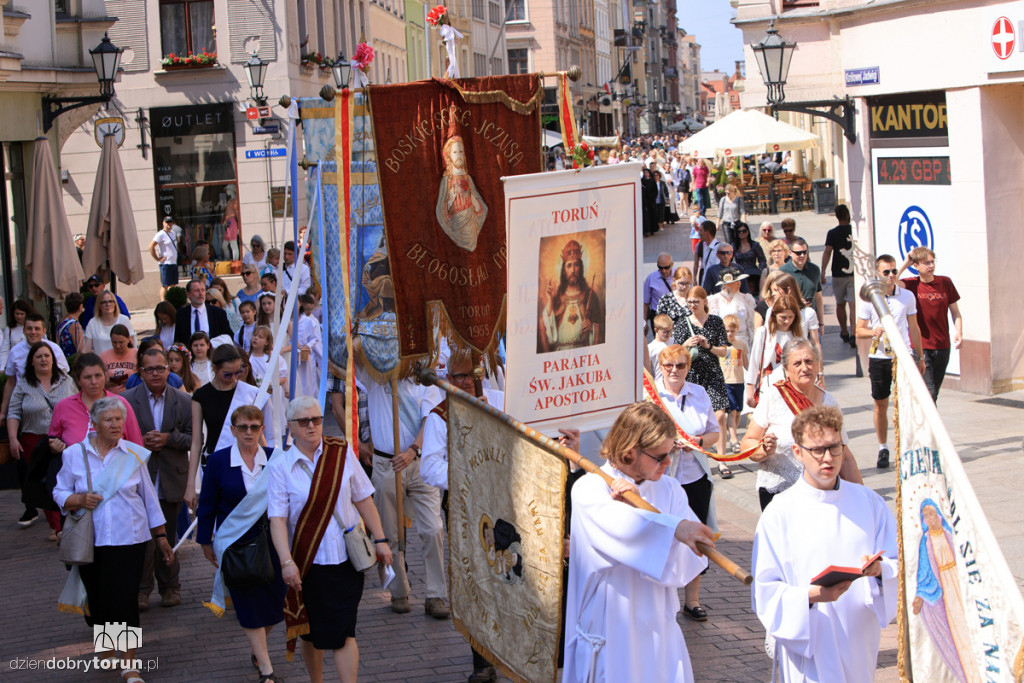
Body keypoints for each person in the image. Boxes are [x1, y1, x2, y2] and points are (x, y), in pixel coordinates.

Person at [562, 402, 713, 683]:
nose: (668, 463)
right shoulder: (590, 489)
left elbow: (686, 563)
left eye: (670, 453)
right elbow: (626, 533)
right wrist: (673, 527)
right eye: (660, 456)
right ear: (630, 452)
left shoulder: (670, 488)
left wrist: (687, 533)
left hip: (658, 630)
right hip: (610, 631)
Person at [752, 405, 897, 682]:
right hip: (809, 642)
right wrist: (813, 595)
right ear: (798, 452)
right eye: (817, 450)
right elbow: (766, 590)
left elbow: (897, 563)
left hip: (858, 639)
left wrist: (881, 571)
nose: (828, 458)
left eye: (835, 448)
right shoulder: (780, 512)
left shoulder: (870, 503)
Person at [268, 397, 393, 682]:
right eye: (303, 421)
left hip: (346, 562)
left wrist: (381, 539)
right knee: (311, 633)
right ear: (290, 427)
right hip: (306, 563)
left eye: (316, 419)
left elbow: (363, 498)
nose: (312, 426)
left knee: (342, 631)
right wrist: (286, 562)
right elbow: (277, 519)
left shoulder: (341, 452)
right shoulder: (280, 467)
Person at [53, 397, 174, 683]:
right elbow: (58, 493)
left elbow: (148, 498)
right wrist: (79, 499)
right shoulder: (74, 455)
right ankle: (106, 647)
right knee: (99, 599)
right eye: (109, 420)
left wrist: (161, 538)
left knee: (125, 600)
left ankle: (129, 664)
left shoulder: (134, 455)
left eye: (119, 419)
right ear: (94, 424)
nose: (115, 425)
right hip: (90, 541)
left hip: (130, 540)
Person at [420, 349, 504, 683]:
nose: (466, 382)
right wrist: (469, 474)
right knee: (478, 583)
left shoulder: (499, 401)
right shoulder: (439, 416)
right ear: (447, 380)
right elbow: (429, 466)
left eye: (472, 374)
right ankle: (481, 661)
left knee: (508, 575)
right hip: (466, 507)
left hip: (505, 503)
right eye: (458, 377)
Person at [197, 405, 285, 683]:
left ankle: (258, 652)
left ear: (262, 430)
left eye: (255, 427)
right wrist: (204, 540)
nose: (249, 432)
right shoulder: (219, 461)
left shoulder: (276, 458)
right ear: (233, 430)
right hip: (235, 545)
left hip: (273, 542)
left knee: (276, 602)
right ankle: (266, 670)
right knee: (248, 604)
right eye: (243, 427)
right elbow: (207, 503)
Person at [356, 364, 450, 618]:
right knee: (390, 532)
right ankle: (398, 591)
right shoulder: (374, 378)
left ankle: (435, 594)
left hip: (419, 464)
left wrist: (413, 450)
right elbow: (351, 352)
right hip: (386, 463)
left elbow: (429, 419)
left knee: (433, 529)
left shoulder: (425, 381)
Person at [740, 339, 861, 510]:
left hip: (821, 494)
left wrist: (862, 498)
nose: (804, 368)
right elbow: (747, 442)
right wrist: (763, 448)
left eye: (809, 361)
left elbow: (844, 455)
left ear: (818, 365)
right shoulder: (773, 397)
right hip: (779, 492)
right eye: (797, 363)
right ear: (786, 369)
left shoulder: (829, 402)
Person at [124, 347, 193, 611]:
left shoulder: (184, 401)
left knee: (169, 537)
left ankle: (170, 587)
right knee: (143, 540)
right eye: (150, 369)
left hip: (170, 478)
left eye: (160, 368)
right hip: (138, 479)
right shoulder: (127, 401)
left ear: (169, 369)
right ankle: (142, 591)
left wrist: (169, 439)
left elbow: (194, 439)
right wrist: (141, 443)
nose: (156, 373)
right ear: (141, 372)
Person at [655, 345, 721, 619]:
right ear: (660, 367)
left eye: (680, 366)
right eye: (668, 365)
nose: (674, 371)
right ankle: (662, 597)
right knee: (663, 537)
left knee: (697, 536)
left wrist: (698, 442)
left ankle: (692, 600)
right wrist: (667, 444)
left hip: (695, 476)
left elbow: (714, 432)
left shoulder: (699, 393)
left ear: (688, 368)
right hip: (663, 477)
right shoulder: (651, 396)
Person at [856, 255, 926, 469]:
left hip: (902, 355)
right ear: (878, 273)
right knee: (880, 404)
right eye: (886, 272)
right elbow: (858, 330)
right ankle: (883, 446)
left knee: (906, 403)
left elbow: (914, 327)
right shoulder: (869, 298)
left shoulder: (906, 296)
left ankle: (907, 445)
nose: (891, 275)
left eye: (894, 271)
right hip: (879, 356)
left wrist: (920, 356)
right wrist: (871, 331)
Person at [7, 342, 77, 535]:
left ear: (53, 360)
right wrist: (13, 438)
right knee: (45, 482)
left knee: (64, 478)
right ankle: (57, 526)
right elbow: (14, 412)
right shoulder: (24, 385)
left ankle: (65, 522)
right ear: (31, 362)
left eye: (47, 356)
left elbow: (77, 406)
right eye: (38, 356)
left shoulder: (66, 380)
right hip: (34, 440)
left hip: (63, 438)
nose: (43, 360)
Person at [184, 343, 263, 510]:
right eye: (227, 374)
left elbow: (259, 434)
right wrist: (191, 485)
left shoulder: (248, 392)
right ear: (214, 368)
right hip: (216, 462)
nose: (234, 378)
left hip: (247, 463)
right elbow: (196, 442)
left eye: (238, 372)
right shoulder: (201, 396)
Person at [898, 247, 963, 402]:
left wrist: (959, 332)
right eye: (926, 263)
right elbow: (890, 283)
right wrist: (905, 264)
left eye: (932, 262)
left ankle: (923, 421)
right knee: (929, 392)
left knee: (934, 392)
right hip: (921, 347)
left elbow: (955, 312)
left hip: (942, 345)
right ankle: (930, 426)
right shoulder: (911, 285)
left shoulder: (945, 282)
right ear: (916, 266)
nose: (930, 266)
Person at [49, 353, 145, 453]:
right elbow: (52, 443)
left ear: (105, 375)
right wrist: (54, 447)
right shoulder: (63, 407)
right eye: (87, 377)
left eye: (98, 375)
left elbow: (137, 448)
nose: (94, 381)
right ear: (78, 380)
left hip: (116, 468)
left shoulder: (121, 404)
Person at [0, 313, 71, 424]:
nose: (33, 332)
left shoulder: (55, 350)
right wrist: (3, 412)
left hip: (53, 409)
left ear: (43, 331)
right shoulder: (15, 352)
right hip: (27, 410)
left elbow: (65, 380)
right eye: (29, 328)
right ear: (23, 330)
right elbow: (10, 383)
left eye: (37, 328)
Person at [539, 239, 604, 352]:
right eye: (569, 266)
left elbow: (603, 328)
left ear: (581, 267)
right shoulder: (557, 299)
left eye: (576, 265)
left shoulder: (590, 296)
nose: (573, 270)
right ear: (564, 270)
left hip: (584, 353)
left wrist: (592, 327)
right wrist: (550, 301)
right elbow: (548, 333)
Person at [746, 295, 804, 409]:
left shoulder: (798, 334)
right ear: (774, 315)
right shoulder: (764, 332)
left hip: (794, 386)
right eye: (783, 317)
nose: (787, 321)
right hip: (769, 385)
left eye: (791, 317)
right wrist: (749, 392)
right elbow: (754, 362)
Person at [820, 204, 856, 346]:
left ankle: (844, 331)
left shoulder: (832, 233)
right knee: (853, 305)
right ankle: (853, 332)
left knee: (840, 304)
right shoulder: (854, 231)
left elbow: (827, 252)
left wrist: (823, 271)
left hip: (837, 273)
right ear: (847, 215)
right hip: (853, 272)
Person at [779, 237, 824, 337]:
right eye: (798, 253)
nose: (802, 255)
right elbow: (779, 298)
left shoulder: (815, 270)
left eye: (804, 252)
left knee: (815, 350)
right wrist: (797, 302)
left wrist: (821, 323)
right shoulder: (783, 271)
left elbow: (819, 297)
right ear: (790, 253)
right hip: (791, 321)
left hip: (811, 321)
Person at [719, 314, 748, 456]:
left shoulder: (741, 345)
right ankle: (734, 439)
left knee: (738, 412)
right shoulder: (721, 346)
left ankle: (731, 433)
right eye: (727, 331)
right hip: (726, 381)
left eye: (732, 331)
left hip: (739, 381)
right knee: (732, 411)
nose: (729, 334)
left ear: (737, 331)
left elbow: (747, 364)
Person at [708, 267, 756, 350]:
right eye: (736, 282)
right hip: (724, 345)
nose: (739, 284)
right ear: (726, 284)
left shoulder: (746, 299)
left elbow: (751, 326)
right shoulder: (714, 300)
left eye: (739, 281)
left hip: (743, 343)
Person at [174, 279, 233, 345]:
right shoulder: (181, 314)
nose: (200, 293)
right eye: (196, 290)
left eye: (203, 290)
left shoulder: (218, 313)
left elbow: (228, 336)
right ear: (188, 294)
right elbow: (178, 340)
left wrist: (214, 344)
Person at [83, 291, 137, 355]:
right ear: (99, 305)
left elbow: (133, 345)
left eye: (110, 301)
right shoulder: (92, 323)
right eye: (104, 302)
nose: (108, 304)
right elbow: (86, 349)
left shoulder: (124, 320)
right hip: (101, 363)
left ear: (115, 303)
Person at [294, 294, 322, 397]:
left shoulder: (308, 321)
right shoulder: (286, 322)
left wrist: (307, 346)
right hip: (291, 357)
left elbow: (315, 338)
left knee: (307, 386)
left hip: (305, 358)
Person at [101, 324, 137, 395]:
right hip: (110, 396)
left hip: (133, 394)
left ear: (128, 339)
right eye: (114, 342)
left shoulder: (136, 354)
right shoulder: (104, 356)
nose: (117, 346)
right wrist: (105, 382)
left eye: (121, 342)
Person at [732, 222, 767, 294]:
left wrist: (760, 272)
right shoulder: (734, 246)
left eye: (744, 231)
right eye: (739, 232)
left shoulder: (755, 245)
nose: (742, 233)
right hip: (739, 274)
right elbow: (729, 260)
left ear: (748, 232)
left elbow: (762, 260)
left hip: (753, 274)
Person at [642, 253, 675, 330]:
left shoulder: (678, 275)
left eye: (666, 267)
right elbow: (645, 302)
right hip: (658, 315)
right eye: (660, 268)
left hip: (674, 313)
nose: (663, 271)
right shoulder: (651, 278)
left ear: (672, 265)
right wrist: (644, 322)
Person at [149, 216, 180, 299]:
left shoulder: (173, 233)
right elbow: (151, 246)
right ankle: (163, 302)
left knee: (173, 284)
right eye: (167, 222)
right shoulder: (160, 234)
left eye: (171, 222)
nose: (169, 224)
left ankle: (171, 301)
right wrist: (157, 258)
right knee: (165, 285)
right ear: (163, 223)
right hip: (166, 263)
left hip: (173, 262)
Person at [56, 292, 85, 363]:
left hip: (64, 360)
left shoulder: (63, 322)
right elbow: (80, 349)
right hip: (73, 362)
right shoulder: (75, 325)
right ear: (80, 307)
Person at [692, 220, 721, 287]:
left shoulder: (719, 248)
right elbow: (698, 264)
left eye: (701, 231)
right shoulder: (704, 247)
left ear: (707, 232)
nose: (699, 233)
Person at [648, 314, 674, 383]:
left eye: (670, 330)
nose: (668, 334)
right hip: (659, 382)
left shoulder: (675, 341)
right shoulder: (651, 347)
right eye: (665, 332)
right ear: (656, 330)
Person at [222, 185, 241, 261]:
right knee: (224, 245)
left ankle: (235, 261)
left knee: (233, 244)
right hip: (229, 223)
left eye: (228, 190)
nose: (227, 191)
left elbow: (237, 213)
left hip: (232, 222)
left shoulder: (235, 201)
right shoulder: (230, 201)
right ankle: (228, 259)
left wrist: (239, 227)